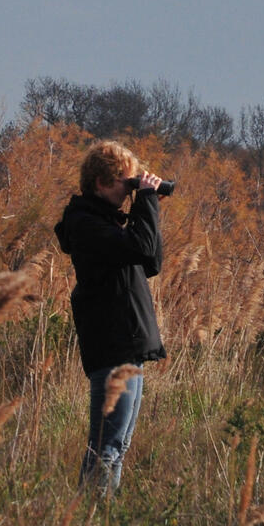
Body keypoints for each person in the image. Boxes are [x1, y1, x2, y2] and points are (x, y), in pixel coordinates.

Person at [54, 140, 167, 495]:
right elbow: (140, 247)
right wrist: (145, 200)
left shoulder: (108, 223)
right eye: (125, 182)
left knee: (118, 446)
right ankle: (90, 516)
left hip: (128, 346)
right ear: (102, 182)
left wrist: (147, 205)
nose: (129, 189)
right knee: (106, 447)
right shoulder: (86, 225)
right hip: (113, 346)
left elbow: (151, 261)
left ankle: (103, 516)